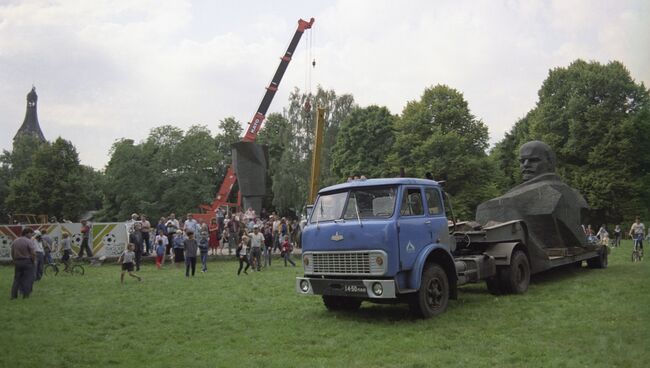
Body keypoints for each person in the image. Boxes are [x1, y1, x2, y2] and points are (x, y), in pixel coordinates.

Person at [11, 227, 36, 299]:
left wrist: (14, 260)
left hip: (17, 262)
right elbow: (33, 253)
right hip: (27, 262)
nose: (31, 235)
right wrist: (33, 261)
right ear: (27, 233)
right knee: (27, 279)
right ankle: (25, 296)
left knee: (16, 279)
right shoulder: (29, 241)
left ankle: (13, 296)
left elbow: (12, 252)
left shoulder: (15, 241)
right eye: (31, 233)